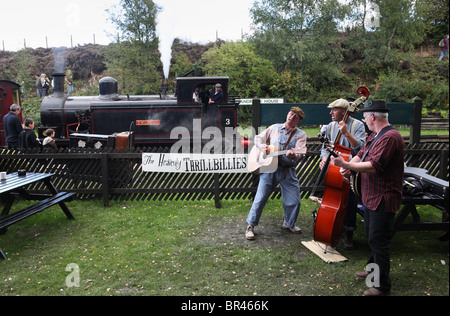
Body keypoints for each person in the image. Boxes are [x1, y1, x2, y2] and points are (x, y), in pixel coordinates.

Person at [332, 100, 405, 296]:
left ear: (372, 116)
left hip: (383, 198)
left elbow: (373, 165)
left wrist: (347, 166)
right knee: (373, 238)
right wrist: (348, 165)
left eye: (365, 116)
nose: (364, 119)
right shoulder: (376, 136)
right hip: (371, 197)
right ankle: (372, 271)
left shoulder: (390, 137)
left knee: (378, 241)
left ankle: (381, 287)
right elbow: (361, 155)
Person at [245, 107, 307, 240]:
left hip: (287, 170)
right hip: (269, 168)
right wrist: (260, 146)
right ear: (287, 114)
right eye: (291, 114)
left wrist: (293, 155)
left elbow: (300, 153)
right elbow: (258, 138)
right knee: (260, 198)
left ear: (299, 121)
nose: (291, 117)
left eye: (295, 117)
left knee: (295, 200)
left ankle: (289, 223)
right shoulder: (274, 128)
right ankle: (250, 226)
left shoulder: (301, 135)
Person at [319, 98, 366, 250]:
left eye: (334, 109)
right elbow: (326, 146)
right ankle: (332, 226)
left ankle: (348, 232)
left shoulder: (358, 125)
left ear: (344, 111)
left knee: (350, 201)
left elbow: (360, 148)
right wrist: (324, 158)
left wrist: (345, 132)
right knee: (332, 198)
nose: (330, 112)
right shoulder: (330, 126)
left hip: (349, 168)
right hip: (333, 168)